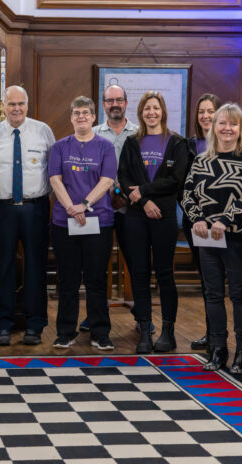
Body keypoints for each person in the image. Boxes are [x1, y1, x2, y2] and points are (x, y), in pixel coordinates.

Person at [182, 103, 242, 374]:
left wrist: (225, 220)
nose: (227, 128)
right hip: (207, 237)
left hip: (236, 237)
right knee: (213, 294)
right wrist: (198, 219)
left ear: (240, 129)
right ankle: (218, 349)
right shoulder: (201, 159)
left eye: (233, 124)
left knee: (239, 294)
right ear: (214, 127)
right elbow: (188, 195)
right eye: (222, 123)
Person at [0, 85, 55, 346]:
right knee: (2, 268)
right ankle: (3, 324)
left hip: (35, 207)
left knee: (36, 267)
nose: (16, 109)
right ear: (3, 106)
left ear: (27, 105)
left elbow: (54, 172)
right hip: (2, 209)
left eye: (20, 104)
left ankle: (35, 324)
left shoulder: (43, 131)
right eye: (11, 104)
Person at [118, 91, 187, 354]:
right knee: (139, 273)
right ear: (141, 113)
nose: (151, 113)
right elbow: (123, 177)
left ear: (163, 111)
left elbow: (175, 179)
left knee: (165, 274)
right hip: (136, 215)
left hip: (164, 216)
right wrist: (143, 200)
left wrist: (144, 191)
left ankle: (168, 333)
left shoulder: (177, 143)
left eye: (156, 108)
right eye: (147, 109)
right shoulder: (131, 142)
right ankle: (145, 330)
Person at [49, 96, 116, 350]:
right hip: (64, 223)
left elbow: (107, 181)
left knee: (96, 279)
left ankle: (100, 332)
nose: (81, 117)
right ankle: (66, 332)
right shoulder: (59, 147)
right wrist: (70, 207)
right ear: (71, 117)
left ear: (93, 117)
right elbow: (55, 180)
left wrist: (84, 205)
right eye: (76, 113)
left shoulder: (105, 147)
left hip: (98, 222)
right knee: (67, 279)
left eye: (86, 113)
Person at [81, 83, 143, 334]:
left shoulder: (139, 134)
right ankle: (95, 315)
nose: (115, 104)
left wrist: (126, 193)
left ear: (126, 103)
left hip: (132, 208)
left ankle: (142, 314)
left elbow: (145, 171)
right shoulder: (92, 133)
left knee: (136, 263)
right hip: (99, 208)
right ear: (103, 105)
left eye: (119, 99)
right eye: (109, 100)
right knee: (95, 265)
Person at [183, 93, 222, 352]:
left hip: (223, 224)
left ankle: (221, 337)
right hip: (195, 223)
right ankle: (211, 334)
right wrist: (196, 215)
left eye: (210, 111)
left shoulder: (231, 143)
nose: (206, 116)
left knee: (221, 281)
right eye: (201, 112)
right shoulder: (188, 145)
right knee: (207, 280)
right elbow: (184, 186)